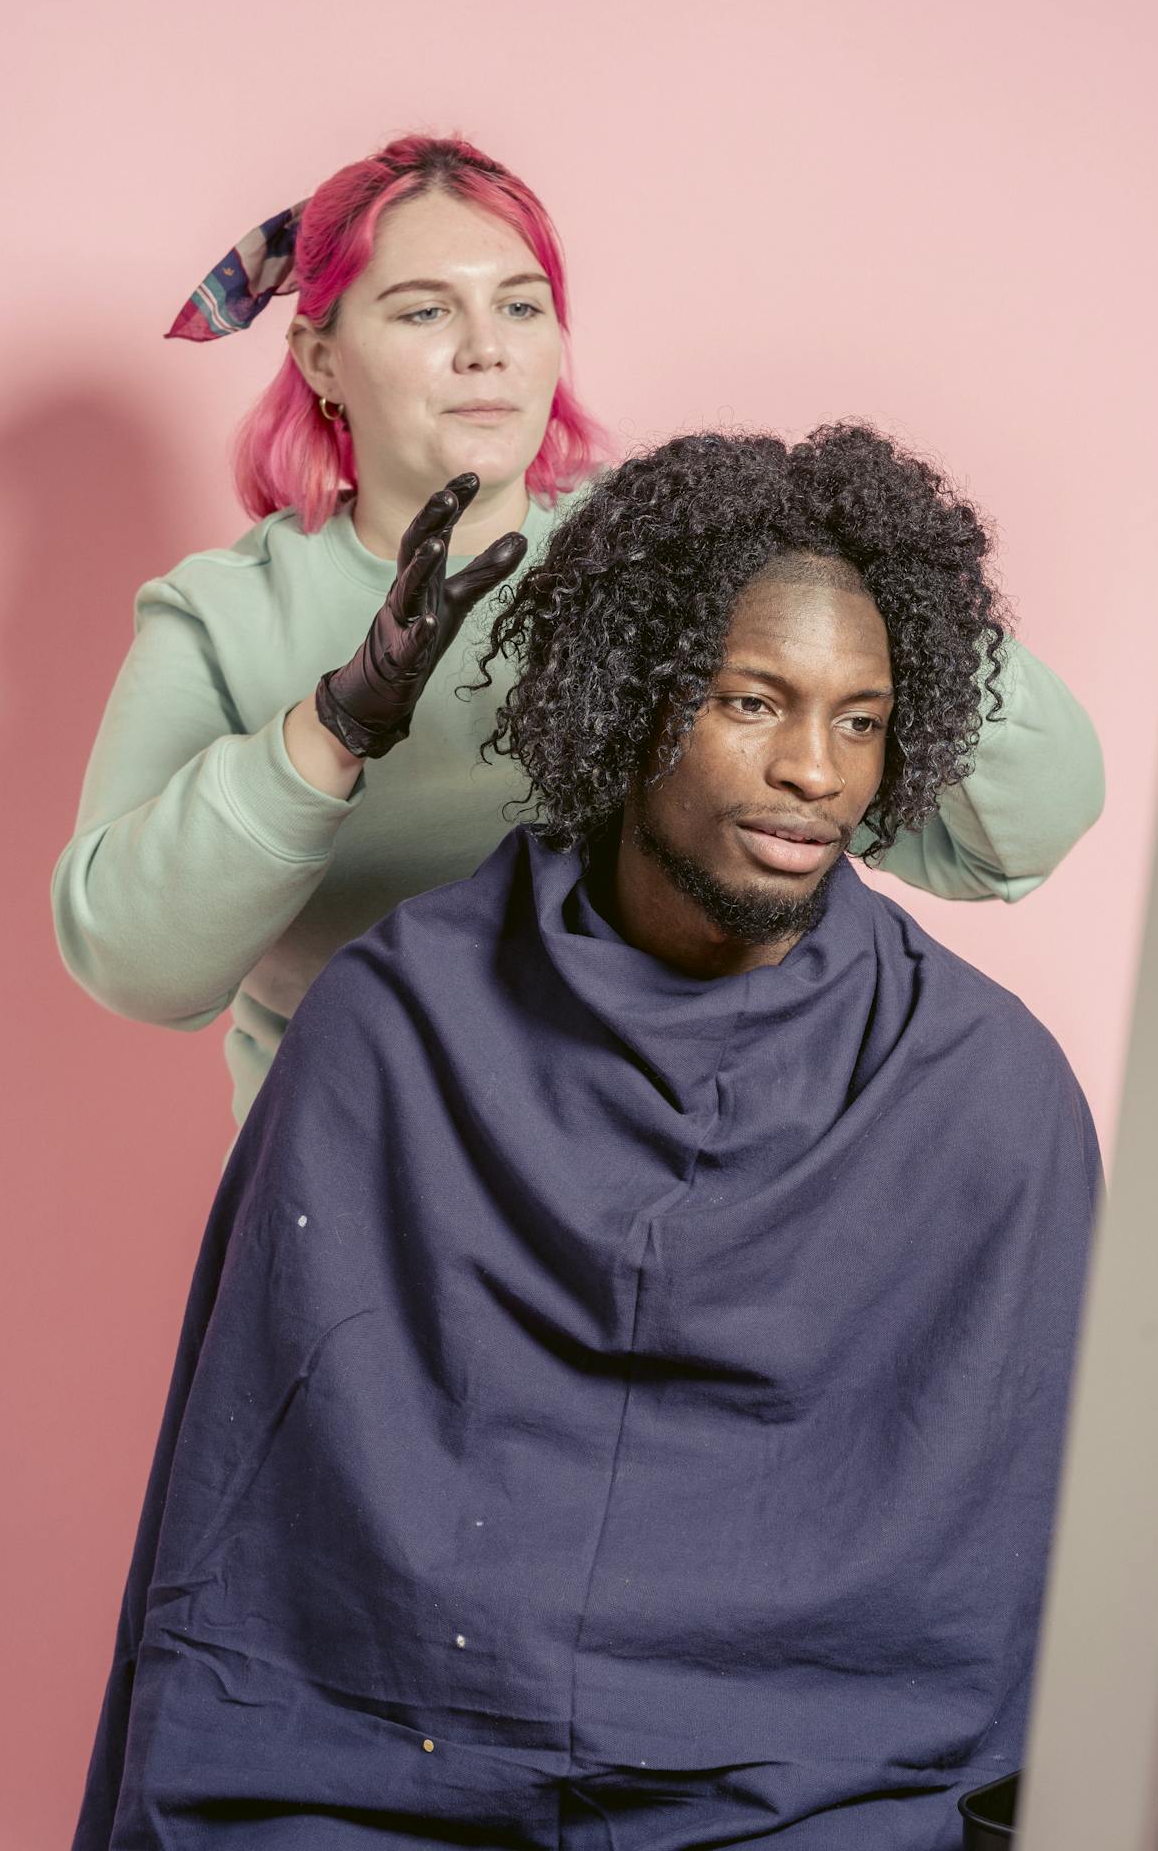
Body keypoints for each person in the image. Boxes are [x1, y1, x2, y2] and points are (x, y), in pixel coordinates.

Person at [74, 427, 1100, 1850]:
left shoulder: (984, 1097)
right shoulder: (394, 1024)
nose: (813, 771)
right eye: (755, 701)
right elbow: (255, 1553)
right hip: (383, 1770)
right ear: (632, 695)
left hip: (805, 1792)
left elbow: (1015, 1617)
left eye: (859, 719)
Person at [51, 134, 1104, 1129]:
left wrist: (879, 569)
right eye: (424, 313)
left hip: (654, 1156)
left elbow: (1017, 836)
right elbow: (140, 967)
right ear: (320, 357)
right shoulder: (221, 616)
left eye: (521, 305)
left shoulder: (670, 565)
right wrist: (330, 727)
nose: (485, 351)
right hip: (362, 1174)